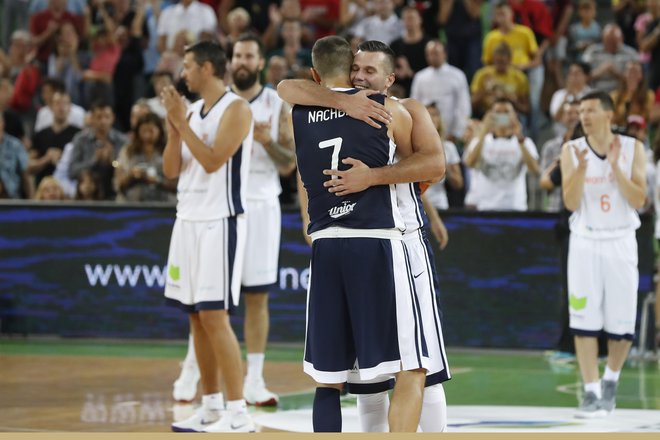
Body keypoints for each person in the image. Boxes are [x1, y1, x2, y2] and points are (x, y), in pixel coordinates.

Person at [278, 39, 449, 432]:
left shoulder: (402, 109)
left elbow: (433, 166)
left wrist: (372, 177)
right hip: (379, 243)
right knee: (391, 372)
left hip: (400, 240)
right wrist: (345, 101)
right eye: (356, 69)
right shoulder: (371, 110)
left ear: (390, 78)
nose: (359, 76)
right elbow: (287, 86)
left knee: (418, 369)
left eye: (370, 71)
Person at [171, 34, 296, 406]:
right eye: (237, 55)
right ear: (229, 61)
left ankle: (254, 379)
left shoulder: (276, 105)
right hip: (215, 206)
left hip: (260, 204)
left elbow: (289, 163)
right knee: (206, 302)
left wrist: (265, 141)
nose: (242, 61)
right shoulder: (208, 105)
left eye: (249, 56)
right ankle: (193, 369)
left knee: (256, 295)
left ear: (260, 63)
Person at [161, 40, 254, 433]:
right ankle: (212, 405)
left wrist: (181, 123)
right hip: (187, 220)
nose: (183, 73)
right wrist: (173, 127)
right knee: (196, 318)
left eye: (187, 66)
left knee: (216, 316)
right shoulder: (193, 111)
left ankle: (239, 413)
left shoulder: (237, 109)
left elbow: (215, 161)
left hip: (221, 221)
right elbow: (170, 171)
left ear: (207, 69)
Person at [560, 90, 646, 418]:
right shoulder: (571, 150)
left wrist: (615, 168)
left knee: (621, 323)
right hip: (585, 241)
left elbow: (639, 199)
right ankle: (591, 390)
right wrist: (581, 170)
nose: (584, 115)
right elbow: (570, 203)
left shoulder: (633, 148)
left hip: (621, 240)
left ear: (609, 114)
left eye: (591, 109)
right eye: (581, 110)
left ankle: (611, 378)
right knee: (584, 321)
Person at [463, 98, 540, 211]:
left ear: (514, 115)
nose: (502, 116)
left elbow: (534, 170)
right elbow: (470, 163)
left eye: (506, 112)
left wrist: (519, 136)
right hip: (485, 207)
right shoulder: (480, 141)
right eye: (498, 112)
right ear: (490, 115)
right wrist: (484, 130)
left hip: (515, 207)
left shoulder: (525, 142)